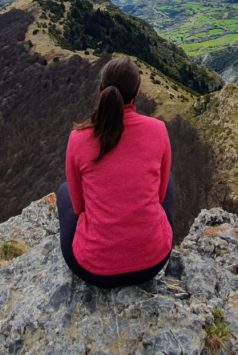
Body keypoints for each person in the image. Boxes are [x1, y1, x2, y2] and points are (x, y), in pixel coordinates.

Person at [56, 57, 174, 288]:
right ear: (138, 92)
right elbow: (160, 198)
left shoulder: (78, 139)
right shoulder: (158, 130)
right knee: (166, 180)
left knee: (64, 192)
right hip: (153, 261)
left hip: (94, 270)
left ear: (100, 89)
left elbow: (80, 208)